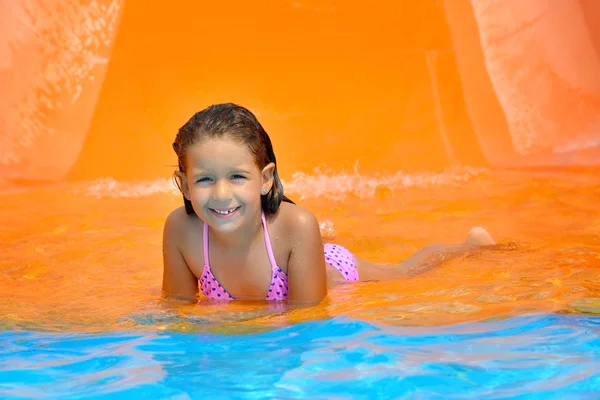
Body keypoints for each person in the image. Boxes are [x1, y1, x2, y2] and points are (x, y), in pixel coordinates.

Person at [162, 103, 495, 304]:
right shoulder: (181, 230)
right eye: (205, 179)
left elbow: (307, 320)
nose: (221, 194)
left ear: (265, 179)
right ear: (184, 185)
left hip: (331, 270)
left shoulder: (298, 225)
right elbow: (177, 309)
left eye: (237, 177)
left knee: (402, 273)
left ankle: (468, 246)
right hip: (294, 257)